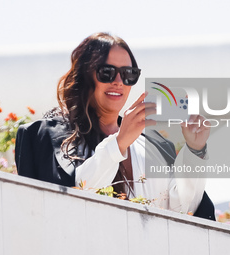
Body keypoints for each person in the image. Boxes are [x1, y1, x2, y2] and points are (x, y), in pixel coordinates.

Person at [15, 32, 215, 220]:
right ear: (85, 75)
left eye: (128, 74)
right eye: (107, 72)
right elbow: (73, 203)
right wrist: (119, 144)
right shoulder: (47, 136)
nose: (119, 81)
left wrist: (195, 152)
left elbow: (183, 211)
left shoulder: (155, 145)